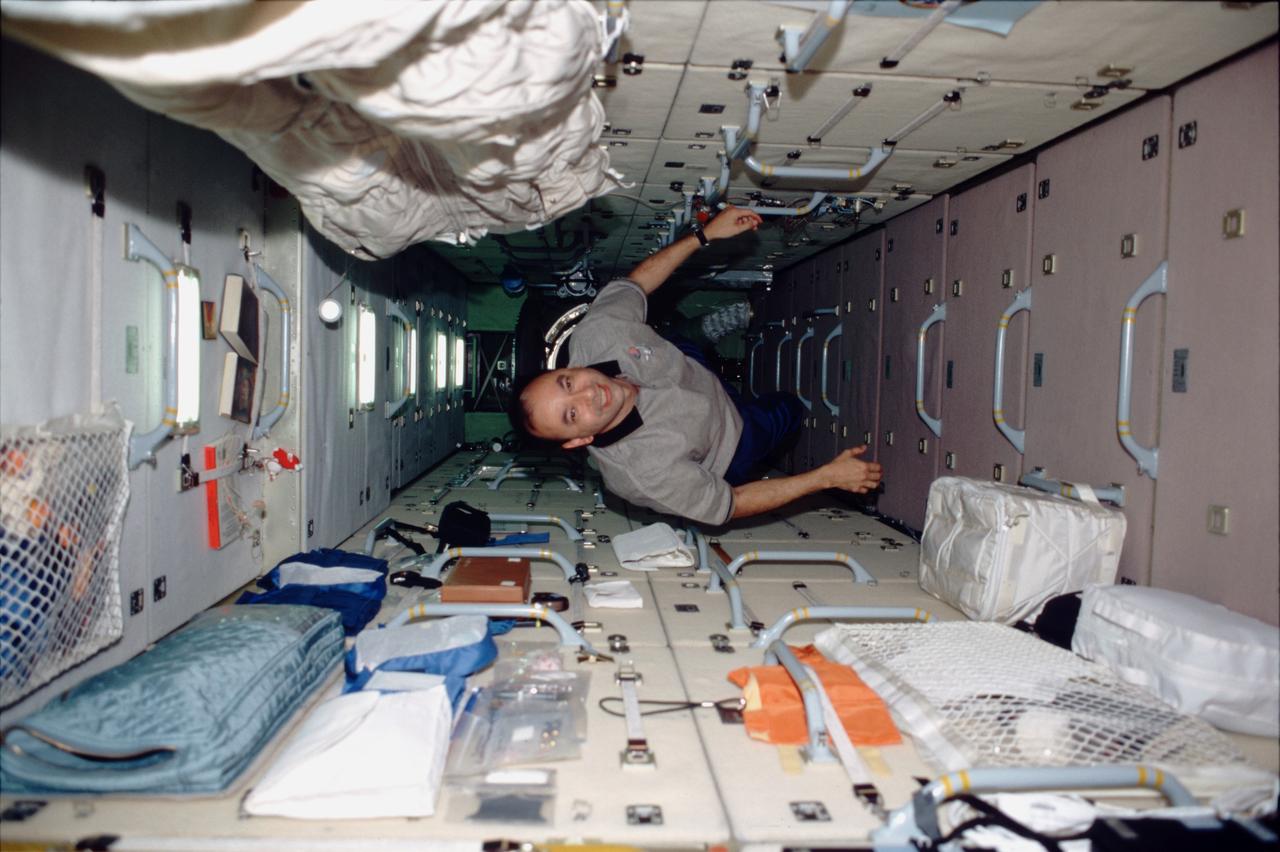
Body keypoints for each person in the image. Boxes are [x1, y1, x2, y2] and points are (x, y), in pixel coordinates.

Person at [514, 205, 883, 526]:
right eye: (572, 414)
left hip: (682, 364)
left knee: (676, 336)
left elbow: (635, 286)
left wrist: (705, 235)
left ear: (564, 368)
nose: (588, 394)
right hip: (733, 438)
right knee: (789, 408)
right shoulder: (641, 475)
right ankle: (755, 392)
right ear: (580, 440)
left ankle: (708, 329)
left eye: (567, 383)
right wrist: (824, 478)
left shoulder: (595, 335)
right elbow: (731, 504)